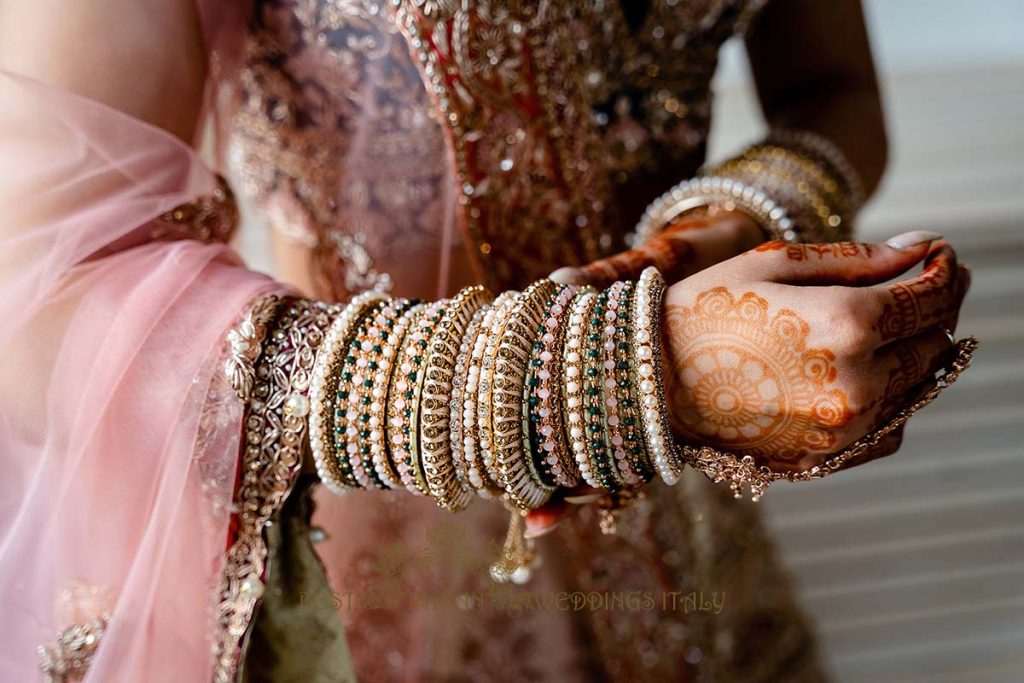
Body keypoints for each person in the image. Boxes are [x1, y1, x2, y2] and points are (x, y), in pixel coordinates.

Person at [0, 0, 972, 681]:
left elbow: (833, 93)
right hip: (364, 537)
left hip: (686, 527)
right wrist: (592, 381)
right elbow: (47, 296)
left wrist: (722, 225)